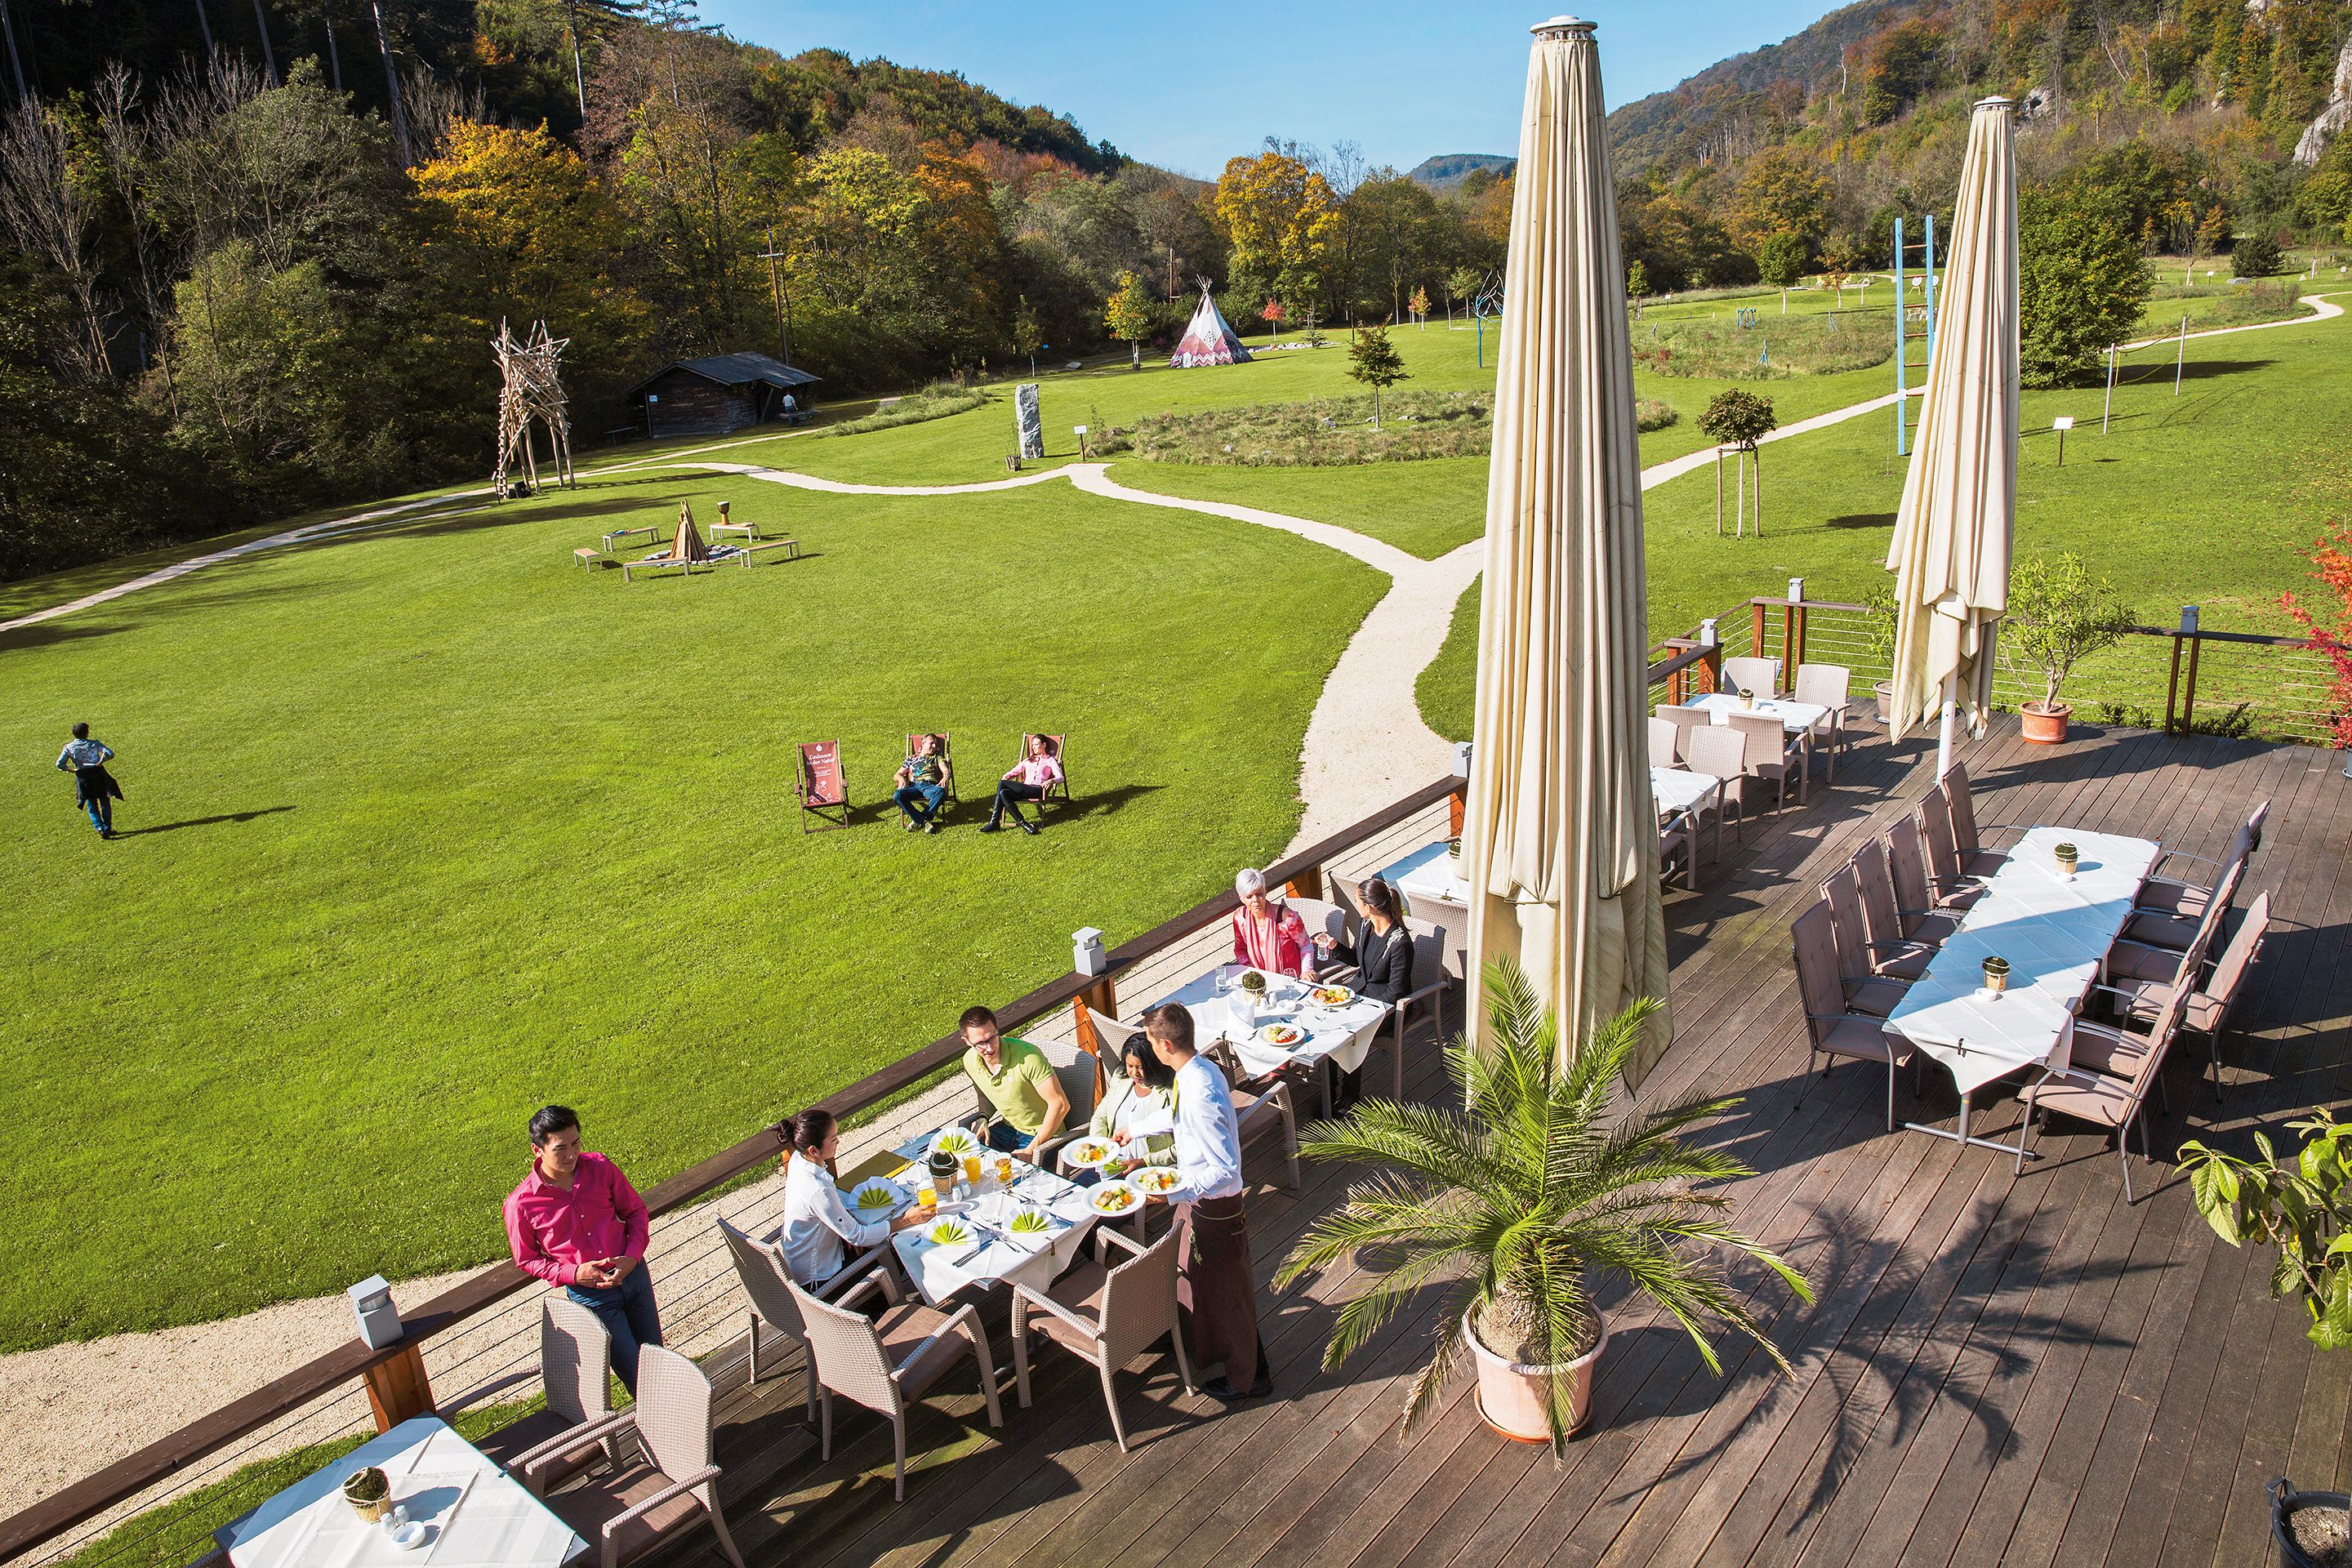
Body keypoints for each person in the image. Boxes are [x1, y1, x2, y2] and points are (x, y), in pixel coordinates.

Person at [1145, 1002, 1268, 1400]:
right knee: (1187, 1274)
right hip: (1195, 1199)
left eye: (1150, 1043)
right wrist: (1133, 1131)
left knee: (1228, 1295)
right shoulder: (1196, 1070)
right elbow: (1177, 1118)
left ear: (1165, 1044)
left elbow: (1226, 1170)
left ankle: (1249, 1377)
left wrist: (1169, 1193)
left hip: (1216, 1208)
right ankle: (1187, 1339)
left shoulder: (1200, 1092)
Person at [503, 1106, 662, 1394]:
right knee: (638, 1379)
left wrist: (632, 1257)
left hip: (635, 1278)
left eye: (576, 1143)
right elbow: (526, 1258)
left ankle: (680, 1432)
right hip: (593, 1297)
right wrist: (575, 1274)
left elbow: (636, 1212)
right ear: (537, 1151)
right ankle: (664, 1435)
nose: (571, 1155)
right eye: (560, 1148)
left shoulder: (600, 1167)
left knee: (661, 1363)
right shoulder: (520, 1205)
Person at [774, 1108, 920, 1288]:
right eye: (833, 1139)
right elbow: (858, 1236)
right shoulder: (817, 1190)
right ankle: (884, 1306)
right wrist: (907, 1219)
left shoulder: (798, 1159)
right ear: (813, 1150)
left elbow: (842, 1224)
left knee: (877, 1237)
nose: (838, 1141)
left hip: (809, 1259)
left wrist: (846, 1229)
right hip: (821, 1279)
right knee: (897, 1250)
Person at [1322, 878, 1414, 1112]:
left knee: (1351, 1035)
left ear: (1369, 907)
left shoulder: (1400, 943)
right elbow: (1358, 961)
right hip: (1359, 997)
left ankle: (1350, 1095)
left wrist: (1363, 1007)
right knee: (1329, 1026)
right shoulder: (1366, 926)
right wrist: (1335, 947)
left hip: (1388, 1008)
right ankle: (1328, 1091)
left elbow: (1396, 991)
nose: (1355, 905)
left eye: (1357, 902)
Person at [1062, 1031, 1176, 1184]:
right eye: (1130, 1066)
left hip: (1151, 1171)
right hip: (1113, 1164)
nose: (1134, 1073)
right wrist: (1101, 1147)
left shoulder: (1170, 1093)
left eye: (1141, 1067)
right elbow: (1100, 1116)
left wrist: (1144, 1161)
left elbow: (1182, 1147)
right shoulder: (1121, 1078)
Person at [957, 1004, 1070, 1156]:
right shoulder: (969, 1061)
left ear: (997, 1029)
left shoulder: (1029, 1057)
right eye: (980, 1044)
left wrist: (1031, 1150)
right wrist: (983, 1117)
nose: (989, 1048)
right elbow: (985, 1096)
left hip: (1044, 1136)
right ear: (967, 1042)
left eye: (992, 1038)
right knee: (964, 1156)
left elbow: (1061, 1104)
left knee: (1010, 1175)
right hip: (1008, 1129)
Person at [1229, 868, 1313, 979]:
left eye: (1259, 894)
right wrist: (1250, 970)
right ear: (1241, 898)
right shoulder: (1240, 917)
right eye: (1249, 897)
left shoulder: (1287, 917)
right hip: (1258, 980)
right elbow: (1240, 949)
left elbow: (1305, 945)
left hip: (1290, 980)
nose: (1255, 900)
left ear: (1265, 891)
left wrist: (1307, 971)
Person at [981, 734, 1062, 836]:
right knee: (1003, 793)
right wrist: (1006, 777)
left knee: (1002, 784)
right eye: (1033, 745)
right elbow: (1014, 771)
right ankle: (1024, 824)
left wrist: (1051, 781)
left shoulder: (1050, 760)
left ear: (1044, 745)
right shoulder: (1028, 760)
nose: (1033, 747)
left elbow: (1060, 777)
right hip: (1025, 789)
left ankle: (994, 822)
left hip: (1037, 790)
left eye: (1036, 745)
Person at [56, 723, 122, 839]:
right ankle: (107, 827)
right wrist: (100, 761)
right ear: (87, 732)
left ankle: (100, 828)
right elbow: (110, 754)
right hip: (98, 774)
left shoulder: (69, 748)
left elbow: (60, 764)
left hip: (83, 778)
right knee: (104, 801)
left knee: (91, 803)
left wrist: (74, 770)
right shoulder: (94, 744)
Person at [893, 733, 952, 834]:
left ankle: (918, 820)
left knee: (940, 792)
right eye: (932, 743)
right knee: (897, 796)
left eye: (936, 744)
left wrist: (946, 777)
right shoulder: (911, 759)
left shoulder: (937, 757)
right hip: (914, 786)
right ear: (923, 743)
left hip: (929, 786)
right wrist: (901, 779)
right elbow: (897, 774)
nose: (934, 746)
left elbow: (946, 771)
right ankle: (924, 821)